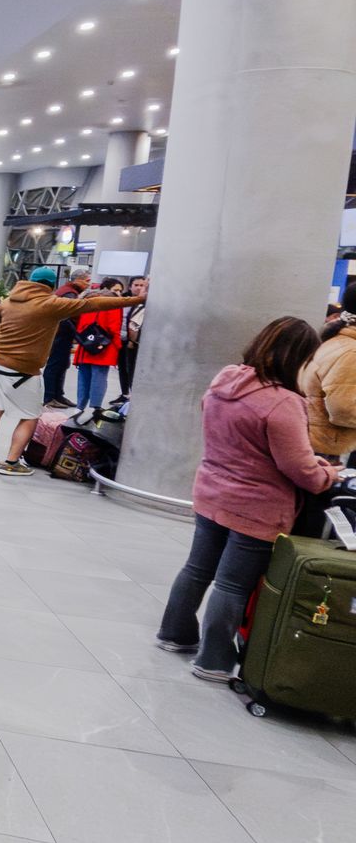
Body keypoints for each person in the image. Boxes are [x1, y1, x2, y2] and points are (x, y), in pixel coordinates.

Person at [157, 317, 344, 682]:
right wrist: (327, 474)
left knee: (197, 569)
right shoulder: (283, 402)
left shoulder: (224, 382)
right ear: (298, 357)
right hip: (256, 506)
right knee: (232, 584)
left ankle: (174, 634)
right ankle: (213, 660)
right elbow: (299, 469)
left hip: (212, 491)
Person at [0, 265, 144, 475]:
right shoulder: (50, 303)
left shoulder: (9, 301)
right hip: (25, 371)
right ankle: (11, 462)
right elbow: (94, 303)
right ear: (49, 285)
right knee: (30, 416)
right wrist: (135, 299)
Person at [302, 300, 356, 459]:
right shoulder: (351, 352)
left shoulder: (337, 341)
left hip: (317, 441)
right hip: (326, 446)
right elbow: (343, 410)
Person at [40, 266, 90, 408]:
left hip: (62, 334)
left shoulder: (69, 291)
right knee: (55, 364)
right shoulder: (69, 293)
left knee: (61, 364)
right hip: (60, 334)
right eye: (86, 281)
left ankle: (57, 394)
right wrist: (77, 333)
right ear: (78, 280)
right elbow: (68, 315)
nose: (88, 284)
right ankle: (49, 396)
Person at [72, 281, 124, 413]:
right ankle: (94, 408)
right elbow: (114, 328)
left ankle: (79, 407)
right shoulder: (114, 305)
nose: (119, 293)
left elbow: (81, 325)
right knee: (99, 378)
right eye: (116, 290)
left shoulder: (90, 302)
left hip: (86, 346)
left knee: (83, 378)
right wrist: (118, 347)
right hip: (104, 348)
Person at [117, 274, 149, 395]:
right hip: (121, 338)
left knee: (132, 369)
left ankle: (131, 394)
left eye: (142, 285)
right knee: (122, 368)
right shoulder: (123, 300)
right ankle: (124, 393)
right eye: (136, 285)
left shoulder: (146, 303)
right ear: (130, 287)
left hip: (135, 342)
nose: (139, 288)